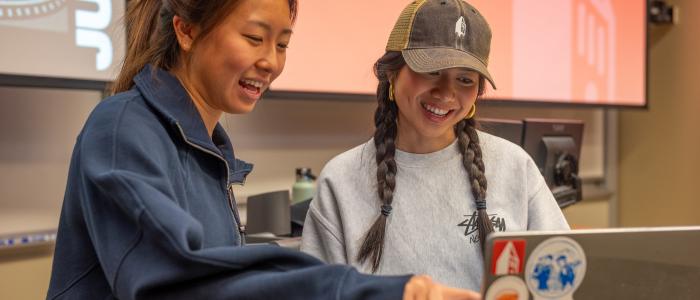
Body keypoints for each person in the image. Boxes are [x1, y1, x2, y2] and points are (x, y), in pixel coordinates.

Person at [46, 0, 481, 299]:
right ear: (186, 29)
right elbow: (177, 277)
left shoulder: (209, 150)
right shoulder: (123, 128)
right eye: (254, 38)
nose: (271, 61)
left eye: (283, 44)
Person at [300, 0, 569, 292]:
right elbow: (316, 292)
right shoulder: (341, 180)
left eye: (465, 79)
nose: (446, 93)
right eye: (431, 71)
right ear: (391, 72)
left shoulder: (514, 166)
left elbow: (564, 279)